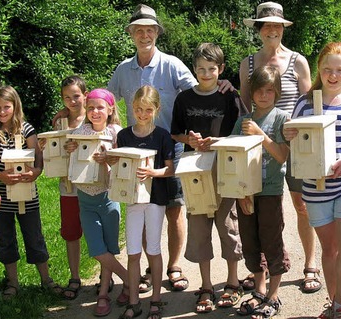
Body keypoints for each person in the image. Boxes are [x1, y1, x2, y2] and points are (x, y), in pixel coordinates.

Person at [106, 4, 233, 292]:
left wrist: (223, 83)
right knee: (140, 206)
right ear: (131, 34)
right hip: (137, 150)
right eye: (138, 30)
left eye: (149, 30)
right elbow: (108, 102)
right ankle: (148, 266)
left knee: (174, 209)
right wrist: (79, 114)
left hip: (172, 147)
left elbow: (200, 90)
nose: (144, 35)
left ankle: (173, 266)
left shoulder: (172, 65)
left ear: (157, 33)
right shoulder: (123, 70)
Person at [284, 42, 341, 319]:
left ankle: (340, 306)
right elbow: (296, 142)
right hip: (316, 188)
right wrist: (289, 136)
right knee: (330, 249)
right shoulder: (305, 103)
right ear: (319, 71)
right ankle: (334, 300)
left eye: (339, 70)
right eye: (327, 70)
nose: (333, 75)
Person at [239, 1, 319, 294]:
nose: (272, 30)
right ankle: (262, 268)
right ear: (259, 29)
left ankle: (310, 264)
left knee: (302, 205)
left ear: (283, 28)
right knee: (261, 209)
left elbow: (308, 103)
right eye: (266, 25)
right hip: (260, 147)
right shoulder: (247, 63)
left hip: (293, 145)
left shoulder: (298, 61)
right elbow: (245, 107)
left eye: (277, 25)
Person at [170, 43, 248, 313]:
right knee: (200, 228)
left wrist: (219, 141)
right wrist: (188, 139)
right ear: (194, 69)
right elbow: (175, 133)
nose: (206, 74)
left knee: (228, 226)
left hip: (224, 167)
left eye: (211, 69)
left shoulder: (230, 96)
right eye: (201, 69)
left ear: (221, 69)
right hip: (194, 169)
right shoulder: (184, 99)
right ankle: (205, 285)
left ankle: (232, 282)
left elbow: (243, 130)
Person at [0, 85, 61, 299]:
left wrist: (36, 171)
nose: (2, 112)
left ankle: (46, 279)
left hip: (27, 193)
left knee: (34, 236)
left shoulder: (26, 129)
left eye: (6, 107)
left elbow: (37, 157)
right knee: (6, 238)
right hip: (1, 195)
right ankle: (13, 282)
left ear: (15, 106)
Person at [230, 66, 289, 319]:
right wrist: (241, 193)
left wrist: (261, 134)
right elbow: (233, 156)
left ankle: (274, 295)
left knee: (271, 239)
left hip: (271, 191)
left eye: (269, 91)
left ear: (277, 93)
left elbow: (282, 154)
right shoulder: (242, 121)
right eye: (259, 91)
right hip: (246, 192)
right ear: (251, 93)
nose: (264, 96)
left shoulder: (281, 118)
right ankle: (259, 289)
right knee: (251, 241)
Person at [64, 88, 128, 317]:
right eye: (90, 108)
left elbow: (125, 164)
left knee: (109, 247)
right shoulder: (80, 131)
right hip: (85, 199)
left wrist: (109, 158)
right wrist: (68, 149)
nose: (95, 112)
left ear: (110, 109)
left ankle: (103, 293)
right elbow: (71, 159)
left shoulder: (117, 133)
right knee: (97, 249)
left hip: (109, 197)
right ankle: (129, 280)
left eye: (100, 107)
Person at [112, 86, 173, 319]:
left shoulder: (162, 136)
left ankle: (156, 298)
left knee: (153, 248)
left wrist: (152, 172)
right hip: (132, 200)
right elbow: (119, 166)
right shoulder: (124, 135)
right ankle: (135, 302)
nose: (142, 114)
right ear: (132, 108)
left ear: (157, 109)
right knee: (134, 251)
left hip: (156, 199)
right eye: (138, 109)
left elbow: (170, 169)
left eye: (148, 110)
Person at [39, 75, 90, 300]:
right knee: (71, 233)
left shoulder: (93, 117)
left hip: (92, 186)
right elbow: (52, 152)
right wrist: (44, 147)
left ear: (85, 96)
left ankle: (104, 278)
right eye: (66, 97)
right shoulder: (59, 122)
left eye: (76, 96)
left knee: (96, 232)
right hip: (67, 187)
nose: (72, 101)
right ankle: (75, 276)